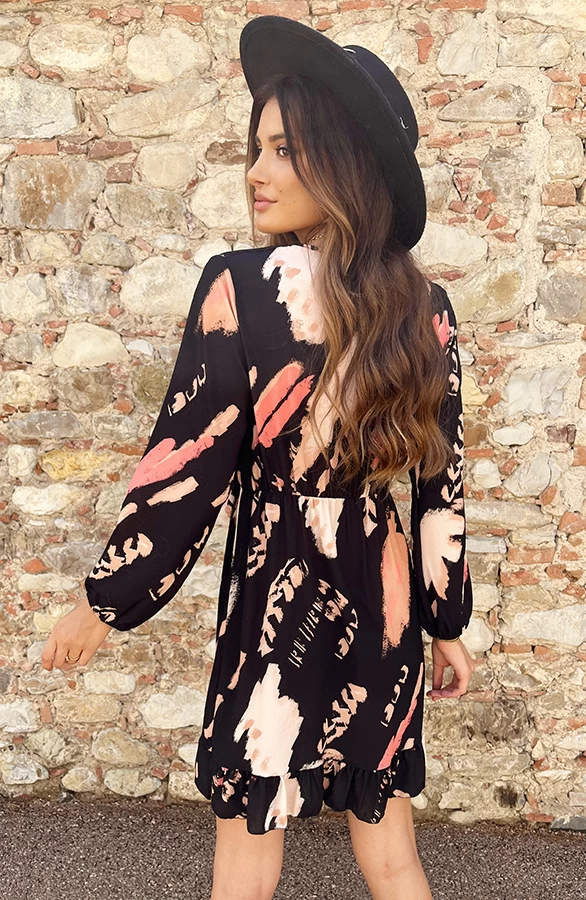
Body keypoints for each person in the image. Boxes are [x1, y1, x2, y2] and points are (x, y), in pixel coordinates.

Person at [42, 15, 477, 900]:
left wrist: (106, 601)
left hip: (278, 597)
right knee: (392, 851)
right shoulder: (427, 308)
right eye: (258, 148)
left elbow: (186, 469)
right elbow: (443, 490)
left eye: (284, 151)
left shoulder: (240, 287)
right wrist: (446, 623)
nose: (255, 171)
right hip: (384, 599)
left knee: (247, 856)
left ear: (344, 164)